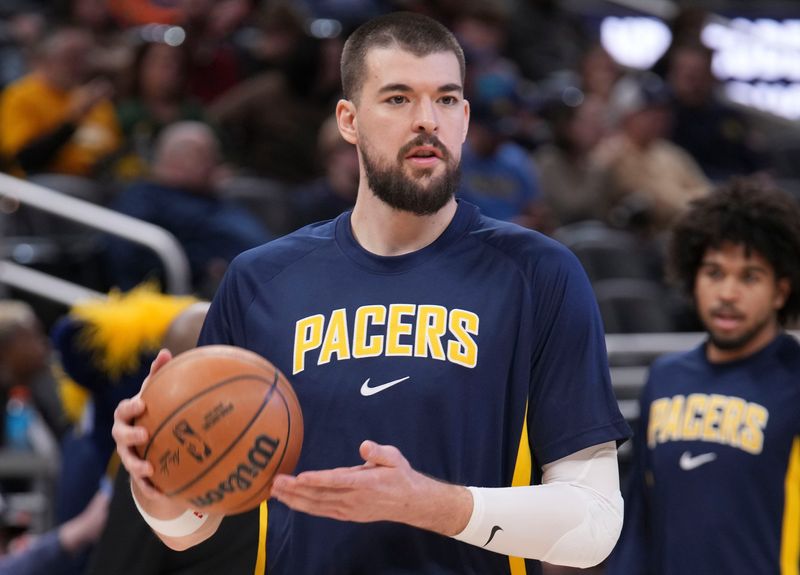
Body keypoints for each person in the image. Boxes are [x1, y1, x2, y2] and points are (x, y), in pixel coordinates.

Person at [113, 12, 631, 574]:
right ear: (349, 119)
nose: (427, 121)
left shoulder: (540, 272)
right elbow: (189, 529)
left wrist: (431, 504)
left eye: (447, 99)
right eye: (398, 99)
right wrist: (154, 477)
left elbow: (594, 524)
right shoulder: (260, 279)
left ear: (465, 117)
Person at [607, 178, 800, 574]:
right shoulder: (665, 378)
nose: (728, 292)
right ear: (693, 279)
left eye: (749, 277)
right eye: (714, 272)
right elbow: (641, 517)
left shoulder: (794, 383)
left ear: (781, 291)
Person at [103, 121, 271, 295]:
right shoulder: (144, 198)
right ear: (181, 158)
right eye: (208, 157)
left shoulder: (210, 196)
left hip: (263, 273)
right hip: (210, 291)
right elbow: (130, 257)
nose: (215, 166)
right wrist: (202, 266)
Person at [0, 27, 121, 177]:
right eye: (70, 58)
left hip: (99, 179)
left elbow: (114, 152)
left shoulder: (95, 101)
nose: (77, 67)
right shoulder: (20, 95)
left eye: (83, 58)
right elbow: (25, 160)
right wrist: (73, 121)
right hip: (44, 181)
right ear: (45, 59)